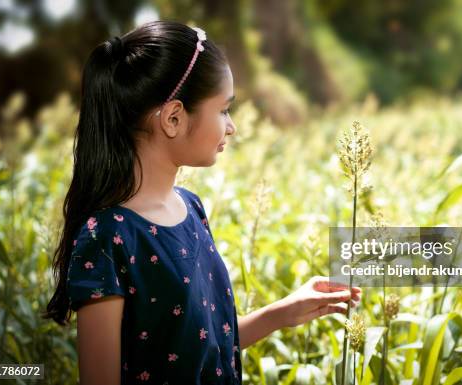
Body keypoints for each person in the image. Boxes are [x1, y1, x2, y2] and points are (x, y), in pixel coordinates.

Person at [43, 20, 362, 384]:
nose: (232, 127)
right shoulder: (107, 237)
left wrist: (281, 313)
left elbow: (200, 346)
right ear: (174, 118)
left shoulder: (190, 206)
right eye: (224, 110)